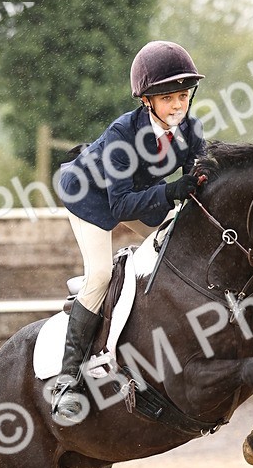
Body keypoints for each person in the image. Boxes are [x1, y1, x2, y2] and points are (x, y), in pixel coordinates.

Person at [51, 40, 207, 422]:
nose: (177, 106)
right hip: (89, 197)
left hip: (137, 194)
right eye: (168, 98)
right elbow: (119, 206)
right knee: (101, 273)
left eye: (183, 96)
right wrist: (171, 191)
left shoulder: (189, 128)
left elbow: (201, 169)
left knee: (173, 244)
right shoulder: (123, 133)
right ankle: (67, 380)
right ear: (147, 101)